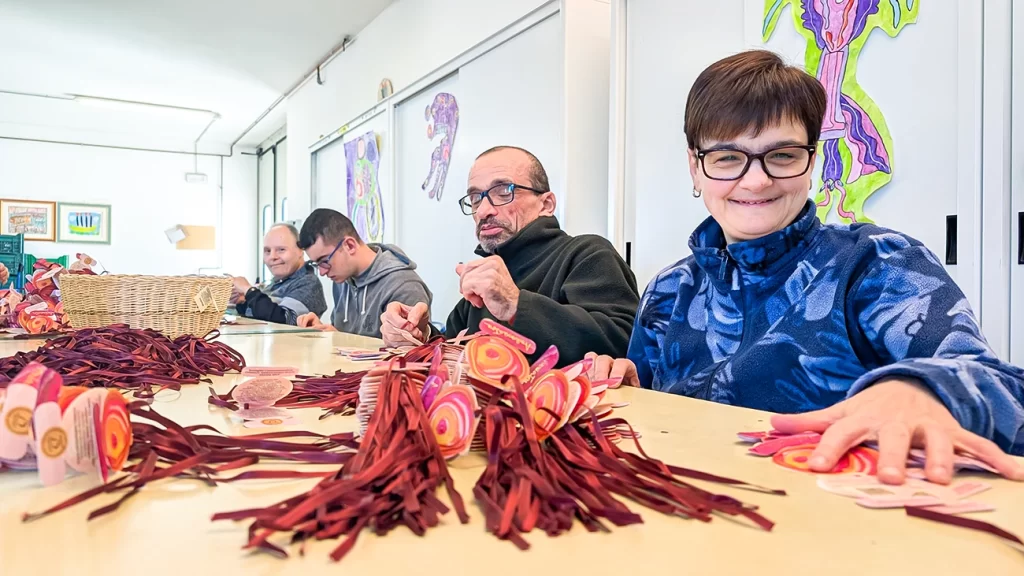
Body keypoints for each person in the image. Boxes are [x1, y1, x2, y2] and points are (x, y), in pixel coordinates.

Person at [590, 50, 1024, 484]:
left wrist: (921, 390)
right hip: (685, 512)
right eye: (726, 157)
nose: (756, 180)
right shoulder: (669, 287)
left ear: (811, 161)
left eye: (781, 155)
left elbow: (997, 383)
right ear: (695, 167)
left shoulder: (878, 262)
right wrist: (631, 384)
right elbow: (651, 426)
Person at [378, 146, 639, 366]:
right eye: (475, 198)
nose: (483, 211)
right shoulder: (481, 279)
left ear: (546, 204)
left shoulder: (587, 254)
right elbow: (455, 354)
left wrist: (516, 304)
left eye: (504, 191)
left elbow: (623, 345)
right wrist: (419, 335)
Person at [296, 208, 431, 338]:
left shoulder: (403, 285)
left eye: (324, 261)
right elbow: (344, 336)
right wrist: (323, 331)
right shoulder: (342, 280)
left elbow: (408, 353)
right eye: (316, 264)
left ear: (350, 245)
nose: (322, 272)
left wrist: (340, 339)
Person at [231, 223, 326, 326]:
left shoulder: (308, 283)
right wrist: (243, 302)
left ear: (300, 250)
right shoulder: (275, 284)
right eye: (267, 251)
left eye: (281, 250)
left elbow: (284, 320)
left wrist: (249, 290)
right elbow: (260, 316)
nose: (272, 257)